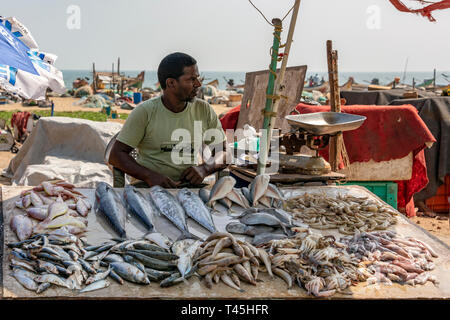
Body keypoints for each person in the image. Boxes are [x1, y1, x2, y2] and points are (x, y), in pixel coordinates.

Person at [109, 52, 229, 188]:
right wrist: (149, 176)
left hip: (188, 188)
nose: (198, 84)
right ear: (171, 83)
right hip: (148, 188)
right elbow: (116, 155)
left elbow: (224, 152)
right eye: (191, 79)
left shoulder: (203, 110)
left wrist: (204, 168)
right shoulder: (145, 112)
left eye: (198, 78)